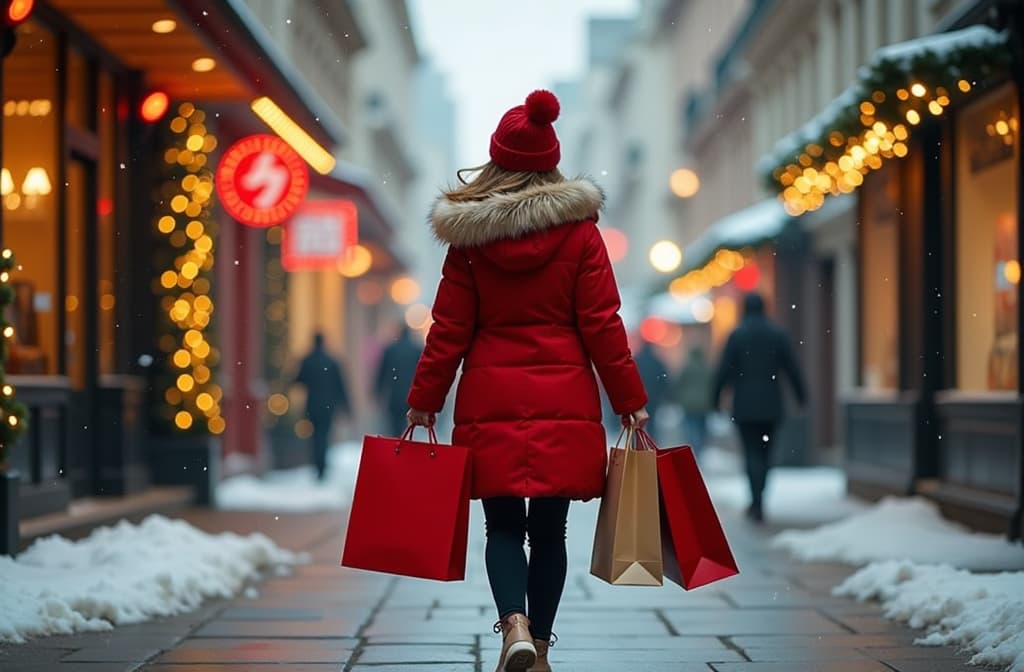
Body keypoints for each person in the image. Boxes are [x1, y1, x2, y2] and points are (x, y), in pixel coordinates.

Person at [405, 90, 649, 672]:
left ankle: (511, 621)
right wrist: (631, 401)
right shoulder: (581, 234)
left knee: (503, 526)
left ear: (497, 162)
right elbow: (602, 324)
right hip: (562, 397)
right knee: (551, 530)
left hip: (491, 395)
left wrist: (424, 400)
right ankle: (538, 647)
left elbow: (449, 328)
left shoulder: (470, 242)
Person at [712, 293, 806, 523]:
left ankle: (755, 500)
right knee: (766, 452)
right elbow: (792, 368)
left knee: (751, 452)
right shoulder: (777, 335)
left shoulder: (737, 336)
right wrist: (801, 396)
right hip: (771, 404)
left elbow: (724, 369)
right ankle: (760, 496)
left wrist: (715, 397)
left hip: (744, 404)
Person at [295, 333, 351, 481]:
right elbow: (341, 386)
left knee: (315, 437)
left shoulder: (308, 360)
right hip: (328, 406)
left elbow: (298, 380)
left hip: (313, 405)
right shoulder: (332, 361)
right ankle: (322, 466)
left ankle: (318, 465)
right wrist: (347, 407)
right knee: (324, 435)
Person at [373, 323, 423, 436]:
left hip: (394, 395)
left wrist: (377, 392)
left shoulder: (390, 350)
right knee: (411, 426)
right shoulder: (417, 350)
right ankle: (407, 448)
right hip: (412, 395)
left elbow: (382, 372)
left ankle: (397, 448)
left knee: (395, 427)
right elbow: (422, 374)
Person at [674, 345, 713, 457]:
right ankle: (699, 449)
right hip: (704, 404)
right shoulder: (707, 369)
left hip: (688, 404)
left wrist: (678, 398)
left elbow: (679, 384)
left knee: (690, 427)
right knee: (701, 428)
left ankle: (693, 449)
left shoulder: (687, 368)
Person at [631, 337, 669, 441]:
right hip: (653, 398)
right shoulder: (657, 362)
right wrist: (663, 395)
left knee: (638, 424)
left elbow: (630, 379)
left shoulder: (636, 361)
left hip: (638, 399)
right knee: (652, 424)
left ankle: (637, 448)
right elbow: (663, 380)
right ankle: (651, 445)